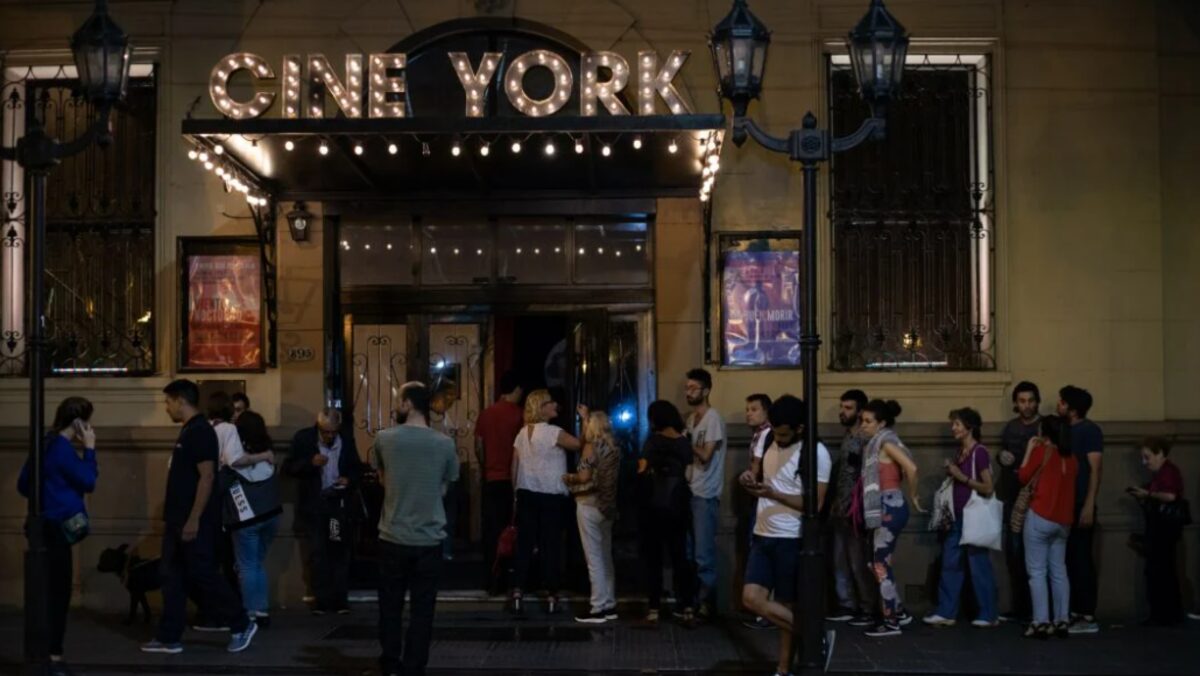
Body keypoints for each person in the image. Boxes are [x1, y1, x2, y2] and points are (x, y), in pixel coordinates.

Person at [142, 379, 256, 654]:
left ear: (181, 400)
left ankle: (241, 622)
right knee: (172, 576)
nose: (166, 408)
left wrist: (193, 519)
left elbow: (207, 477)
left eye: (168, 402)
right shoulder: (189, 431)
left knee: (203, 574)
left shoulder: (200, 432)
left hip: (193, 521)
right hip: (178, 519)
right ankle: (169, 636)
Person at [739, 395, 832, 676]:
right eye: (776, 433)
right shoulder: (769, 441)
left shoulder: (816, 453)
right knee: (751, 598)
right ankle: (816, 638)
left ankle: (783, 669)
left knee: (786, 604)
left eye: (784, 434)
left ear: (800, 429)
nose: (779, 439)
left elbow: (814, 504)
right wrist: (750, 480)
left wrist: (774, 494)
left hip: (791, 538)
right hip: (762, 533)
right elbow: (762, 478)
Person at [373, 383, 459, 676]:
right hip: (429, 537)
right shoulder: (445, 444)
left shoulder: (384, 439)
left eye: (399, 401)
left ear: (408, 404)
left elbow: (383, 479)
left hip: (393, 535)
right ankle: (414, 666)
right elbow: (447, 484)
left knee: (390, 607)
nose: (397, 405)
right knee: (423, 610)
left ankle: (389, 662)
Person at [17, 397, 98, 674]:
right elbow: (89, 481)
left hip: (39, 526)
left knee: (41, 591)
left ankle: (41, 651)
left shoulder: (44, 443)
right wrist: (90, 449)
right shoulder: (63, 449)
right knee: (58, 593)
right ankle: (53, 653)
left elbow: (23, 484)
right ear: (79, 423)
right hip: (58, 528)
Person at [285, 407, 364, 615]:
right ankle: (321, 600)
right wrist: (310, 463)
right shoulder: (304, 439)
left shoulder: (346, 440)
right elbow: (288, 468)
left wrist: (348, 480)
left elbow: (356, 468)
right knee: (317, 552)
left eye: (333, 432)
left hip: (337, 504)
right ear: (318, 426)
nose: (329, 436)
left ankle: (339, 600)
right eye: (325, 431)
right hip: (314, 504)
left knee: (339, 551)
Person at [924, 408, 999, 628]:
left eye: (957, 424)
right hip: (956, 517)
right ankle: (946, 611)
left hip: (973, 516)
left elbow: (988, 486)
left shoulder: (980, 452)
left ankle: (988, 613)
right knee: (950, 563)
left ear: (969, 427)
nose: (953, 428)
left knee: (978, 565)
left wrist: (961, 476)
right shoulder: (961, 452)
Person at [510, 389, 582, 614]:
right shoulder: (553, 432)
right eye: (551, 403)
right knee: (551, 543)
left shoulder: (523, 433)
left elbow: (514, 465)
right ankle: (552, 592)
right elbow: (578, 445)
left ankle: (518, 589)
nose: (555, 406)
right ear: (541, 408)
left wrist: (515, 493)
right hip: (550, 494)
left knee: (524, 543)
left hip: (526, 492)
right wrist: (587, 420)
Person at [859, 399, 922, 637]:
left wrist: (914, 494)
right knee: (876, 562)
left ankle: (891, 621)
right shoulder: (879, 441)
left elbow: (912, 468)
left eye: (868, 421)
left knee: (879, 564)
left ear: (881, 423)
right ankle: (898, 612)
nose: (863, 425)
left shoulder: (884, 440)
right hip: (886, 506)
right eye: (862, 421)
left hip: (889, 506)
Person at [1017, 415, 1076, 639]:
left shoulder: (1042, 452)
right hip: (1064, 521)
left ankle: (1040, 622)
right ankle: (1062, 620)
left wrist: (1029, 451)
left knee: (1037, 572)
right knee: (1059, 571)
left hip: (1041, 516)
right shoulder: (1072, 458)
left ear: (1045, 433)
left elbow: (1023, 476)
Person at [638, 400, 696, 624]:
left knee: (654, 558)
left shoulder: (653, 441)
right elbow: (689, 474)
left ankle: (654, 608)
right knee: (680, 555)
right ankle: (687, 606)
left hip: (655, 504)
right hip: (679, 502)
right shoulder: (683, 442)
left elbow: (642, 468)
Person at [564, 411, 621, 624]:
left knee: (594, 558)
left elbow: (584, 475)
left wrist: (569, 477)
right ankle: (609, 603)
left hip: (589, 503)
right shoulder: (612, 447)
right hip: (607, 506)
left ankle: (597, 607)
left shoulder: (590, 448)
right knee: (606, 556)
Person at [826, 389, 876, 627]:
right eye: (842, 406)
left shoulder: (865, 439)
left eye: (848, 408)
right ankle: (847, 604)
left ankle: (866, 607)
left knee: (857, 560)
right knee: (840, 559)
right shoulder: (848, 436)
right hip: (841, 507)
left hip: (856, 510)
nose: (842, 412)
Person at [229, 405, 281, 629]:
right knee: (257, 563)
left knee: (247, 565)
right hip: (271, 514)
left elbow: (233, 463)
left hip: (247, 516)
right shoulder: (268, 451)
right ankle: (261, 609)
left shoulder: (238, 452)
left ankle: (252, 611)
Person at [1057, 385, 1103, 634]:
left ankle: (1087, 615)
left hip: (1080, 503)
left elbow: (1095, 469)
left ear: (1072, 408)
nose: (1058, 405)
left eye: (1062, 402)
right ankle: (1074, 611)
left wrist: (1088, 504)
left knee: (1082, 558)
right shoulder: (1064, 430)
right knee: (1069, 559)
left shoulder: (1090, 431)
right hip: (1064, 504)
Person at [475, 371, 524, 592]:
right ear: (517, 390)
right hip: (512, 481)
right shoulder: (519, 415)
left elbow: (478, 446)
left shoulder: (486, 414)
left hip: (491, 479)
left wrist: (486, 467)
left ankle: (490, 580)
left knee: (491, 533)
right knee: (512, 533)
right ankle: (510, 580)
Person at [1129, 437, 1186, 626]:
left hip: (1164, 530)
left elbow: (1170, 496)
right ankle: (1164, 614)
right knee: (1160, 571)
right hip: (1163, 529)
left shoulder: (1168, 472)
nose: (1145, 463)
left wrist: (1148, 494)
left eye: (1147, 457)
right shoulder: (1165, 472)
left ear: (1160, 453)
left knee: (1161, 571)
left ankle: (1164, 614)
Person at [684, 367, 725, 618]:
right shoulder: (691, 419)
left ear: (706, 390)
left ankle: (707, 604)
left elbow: (706, 455)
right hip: (691, 489)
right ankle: (693, 599)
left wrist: (684, 441)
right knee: (690, 551)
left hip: (706, 493)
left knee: (703, 553)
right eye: (686, 388)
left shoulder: (713, 419)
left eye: (693, 388)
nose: (688, 392)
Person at [998, 381, 1041, 623]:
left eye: (1030, 401)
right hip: (1012, 495)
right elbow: (1004, 453)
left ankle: (1038, 608)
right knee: (1015, 553)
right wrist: (1001, 457)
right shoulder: (1011, 428)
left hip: (1035, 496)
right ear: (1016, 403)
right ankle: (1021, 606)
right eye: (1022, 401)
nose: (1026, 405)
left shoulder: (1044, 427)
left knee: (1034, 554)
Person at [737, 394, 774, 630]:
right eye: (747, 408)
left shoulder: (765, 436)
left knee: (760, 551)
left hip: (763, 503)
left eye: (754, 409)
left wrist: (748, 480)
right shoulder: (760, 435)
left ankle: (766, 611)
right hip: (761, 502)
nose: (748, 413)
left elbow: (756, 470)